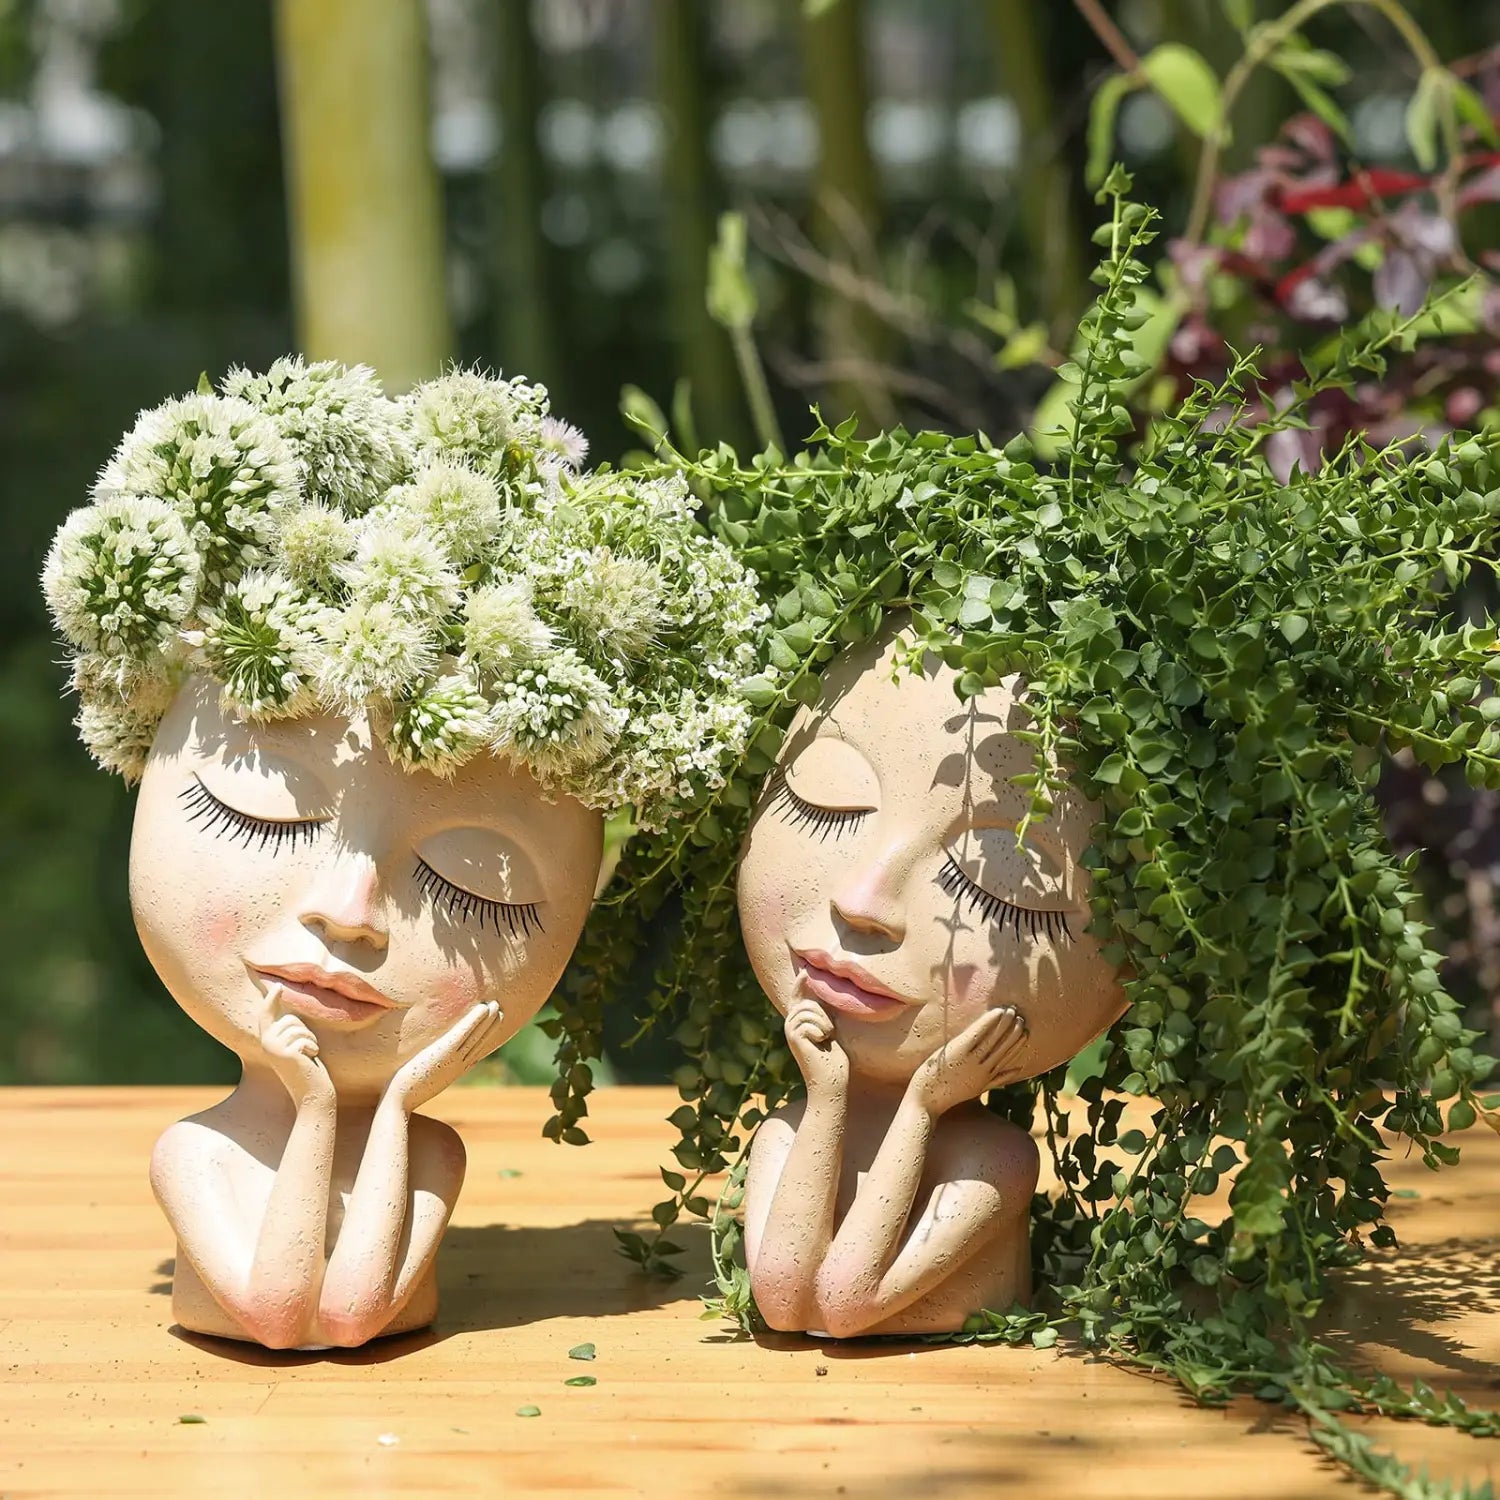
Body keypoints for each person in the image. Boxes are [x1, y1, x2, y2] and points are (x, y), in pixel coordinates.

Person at [41, 359, 763, 1346]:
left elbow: (354, 1310)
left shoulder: (428, 1149)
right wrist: (322, 1101)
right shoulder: (195, 1153)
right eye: (263, 815)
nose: (350, 908)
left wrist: (377, 1112)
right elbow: (282, 1308)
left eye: (473, 881)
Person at [738, 623, 1125, 1336]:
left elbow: (846, 1305)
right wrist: (825, 1101)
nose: (862, 902)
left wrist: (921, 1106)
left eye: (992, 882)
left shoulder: (992, 1159)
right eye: (830, 803)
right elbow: (784, 1300)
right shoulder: (786, 1132)